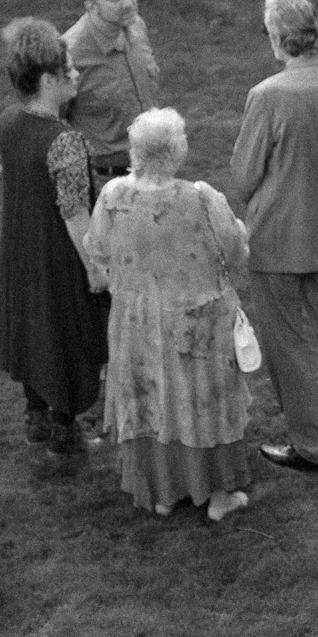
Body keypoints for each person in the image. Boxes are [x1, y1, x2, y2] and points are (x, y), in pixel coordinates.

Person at [85, 108, 254, 522]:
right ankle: (217, 495)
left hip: (137, 323)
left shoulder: (112, 197)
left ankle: (164, 493)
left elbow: (97, 250)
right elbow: (236, 252)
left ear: (136, 151)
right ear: (177, 150)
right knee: (202, 402)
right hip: (197, 321)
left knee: (151, 401)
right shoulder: (200, 198)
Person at [231, 0, 318, 477]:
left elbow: (243, 174)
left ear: (276, 37)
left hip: (277, 240)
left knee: (287, 345)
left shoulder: (268, 96)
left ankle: (311, 445)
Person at [0, 18, 108, 454]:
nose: (76, 75)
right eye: (69, 71)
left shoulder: (7, 123)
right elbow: (76, 213)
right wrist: (95, 267)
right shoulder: (64, 141)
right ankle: (64, 427)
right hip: (57, 255)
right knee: (67, 334)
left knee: (32, 329)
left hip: (20, 248)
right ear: (47, 80)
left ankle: (35, 416)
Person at [63, 0, 160, 179]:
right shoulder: (70, 54)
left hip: (153, 169)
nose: (128, 3)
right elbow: (51, 126)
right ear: (91, 7)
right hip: (105, 180)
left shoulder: (136, 26)